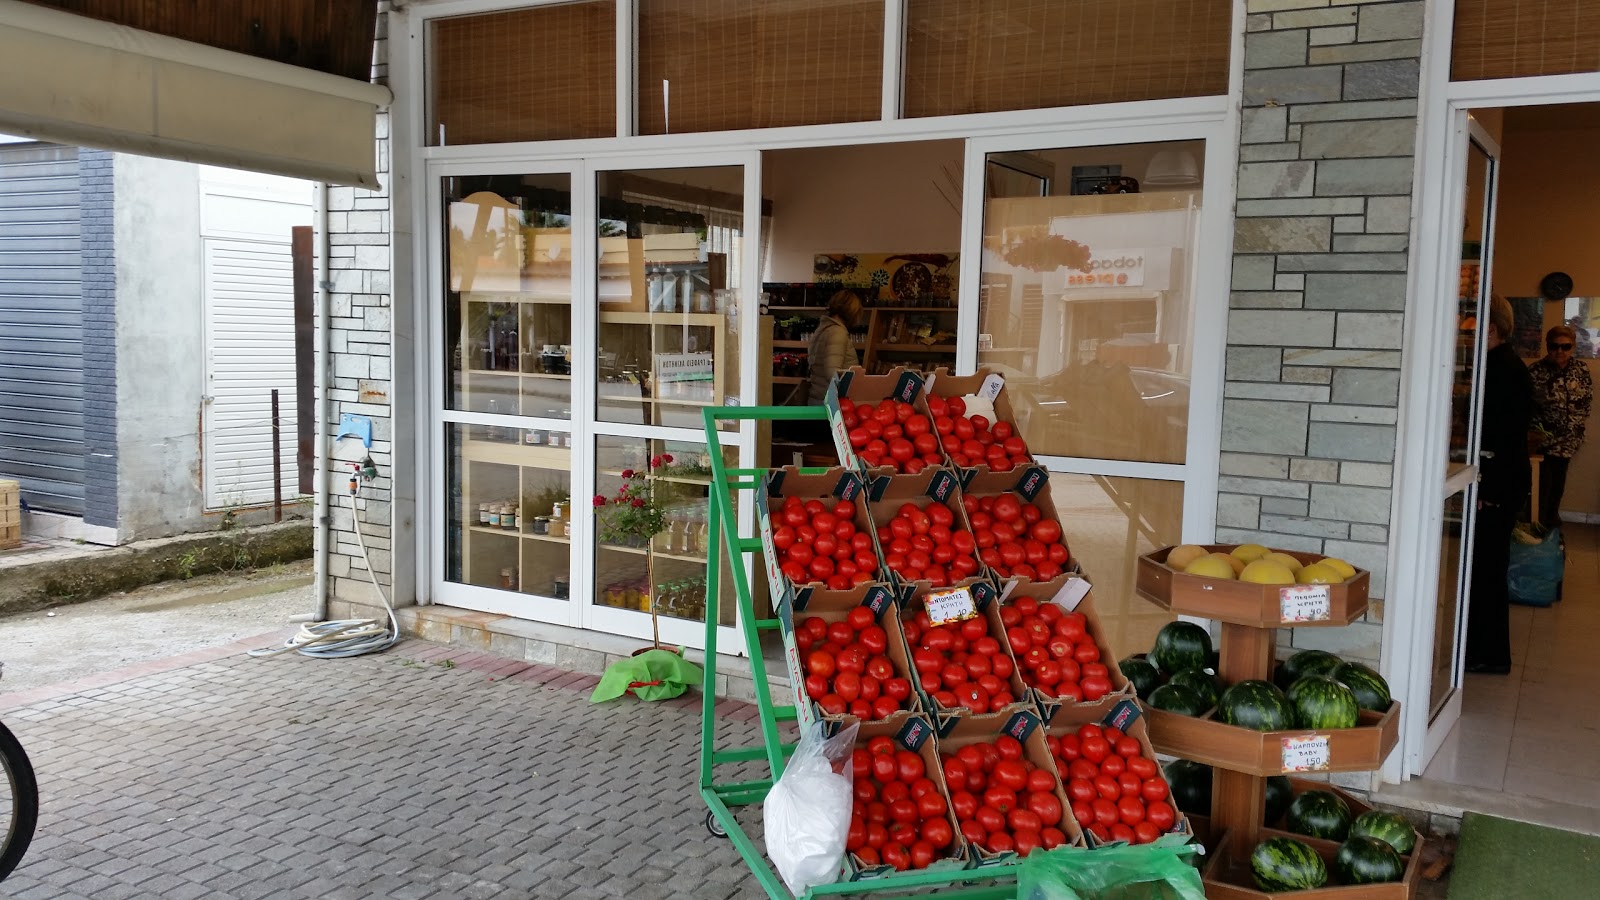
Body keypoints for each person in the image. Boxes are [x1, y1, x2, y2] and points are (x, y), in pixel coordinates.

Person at [1465, 294, 1533, 675]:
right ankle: (1480, 649)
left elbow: (1504, 438)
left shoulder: (1504, 369)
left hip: (1498, 485)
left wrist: (1486, 490)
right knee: (1484, 570)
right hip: (1496, 481)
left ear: (1490, 327)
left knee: (1489, 571)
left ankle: (1489, 654)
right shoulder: (1495, 364)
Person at [1529, 324, 1593, 529]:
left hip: (1569, 440)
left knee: (1558, 483)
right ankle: (1539, 523)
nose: (1559, 351)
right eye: (1554, 346)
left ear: (1573, 347)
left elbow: (1586, 401)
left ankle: (1551, 521)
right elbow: (1526, 405)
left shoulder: (1580, 369)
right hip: (1543, 440)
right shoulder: (1536, 371)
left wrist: (1576, 428)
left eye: (1565, 347)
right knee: (1542, 486)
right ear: (1548, 346)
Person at [799, 289, 864, 406]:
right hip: (832, 405)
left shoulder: (823, 329)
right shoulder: (837, 333)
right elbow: (833, 374)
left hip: (818, 398)